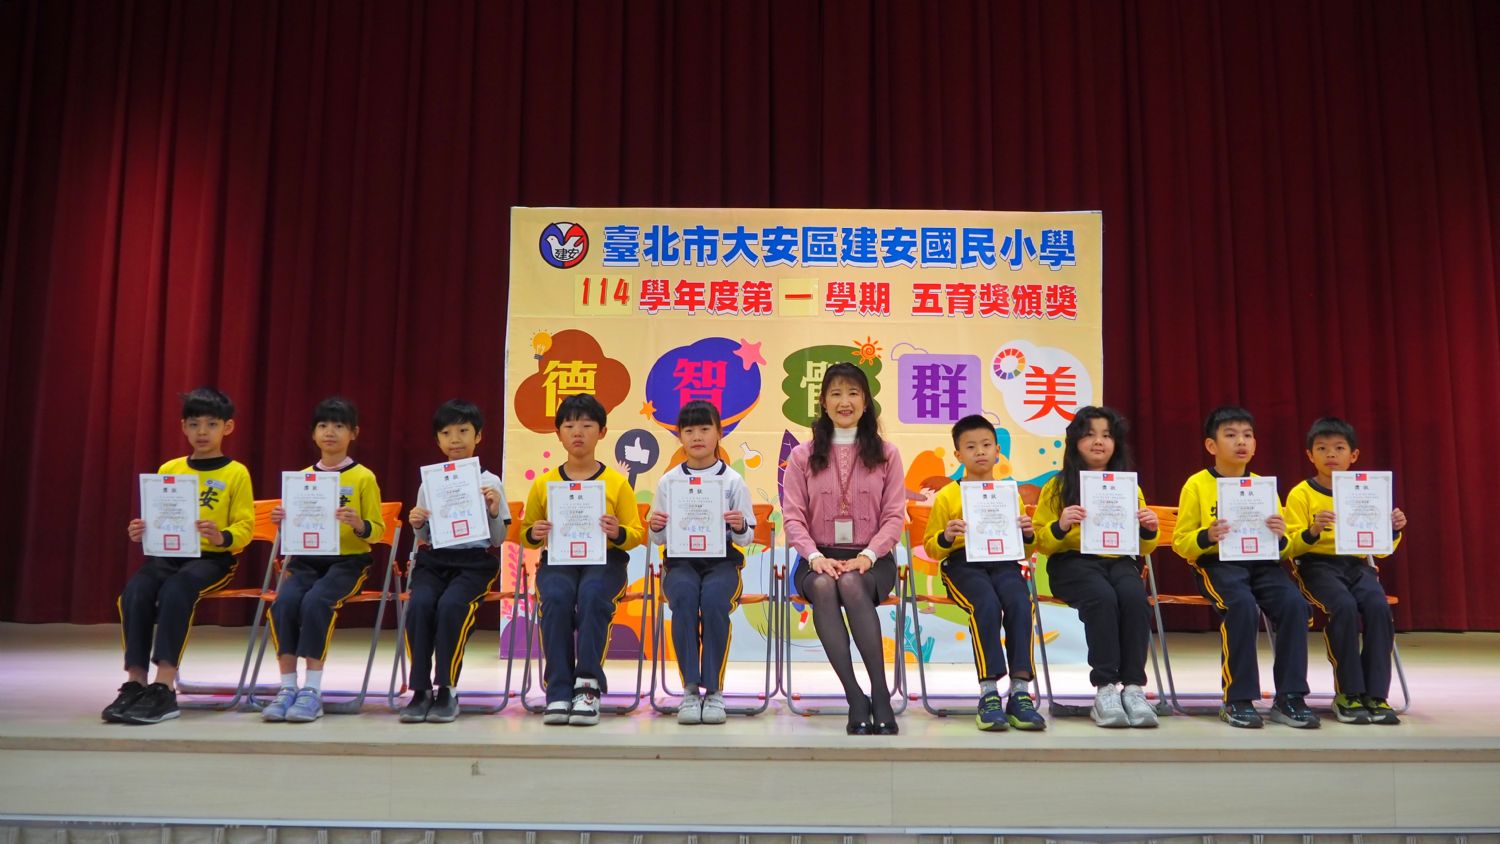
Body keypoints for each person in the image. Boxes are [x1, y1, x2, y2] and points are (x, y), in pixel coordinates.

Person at [105, 387, 255, 725]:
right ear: (183, 427)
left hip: (212, 559)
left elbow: (245, 527)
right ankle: (135, 682)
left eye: (211, 424)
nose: (202, 432)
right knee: (135, 591)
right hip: (168, 556)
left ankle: (164, 686)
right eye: (194, 424)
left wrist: (222, 536)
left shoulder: (236, 472)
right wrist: (142, 529)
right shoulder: (170, 468)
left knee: (176, 590)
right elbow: (159, 515)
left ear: (228, 427)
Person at [781, 363, 906, 735]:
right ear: (823, 402)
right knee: (823, 585)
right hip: (817, 557)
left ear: (866, 402)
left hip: (873, 559)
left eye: (853, 393)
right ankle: (855, 697)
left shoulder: (887, 454)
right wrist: (815, 557)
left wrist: (867, 555)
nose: (844, 401)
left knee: (851, 583)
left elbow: (894, 516)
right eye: (835, 393)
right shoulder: (802, 456)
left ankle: (880, 694)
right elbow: (792, 517)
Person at [647, 400, 755, 725]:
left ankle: (715, 690)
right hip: (680, 563)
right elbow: (658, 538)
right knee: (682, 598)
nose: (697, 436)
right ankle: (691, 690)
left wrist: (739, 525)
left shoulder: (732, 481)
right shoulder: (669, 482)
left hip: (722, 564)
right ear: (679, 436)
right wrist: (656, 526)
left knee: (713, 600)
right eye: (689, 430)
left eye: (705, 429)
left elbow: (746, 538)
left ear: (719, 433)